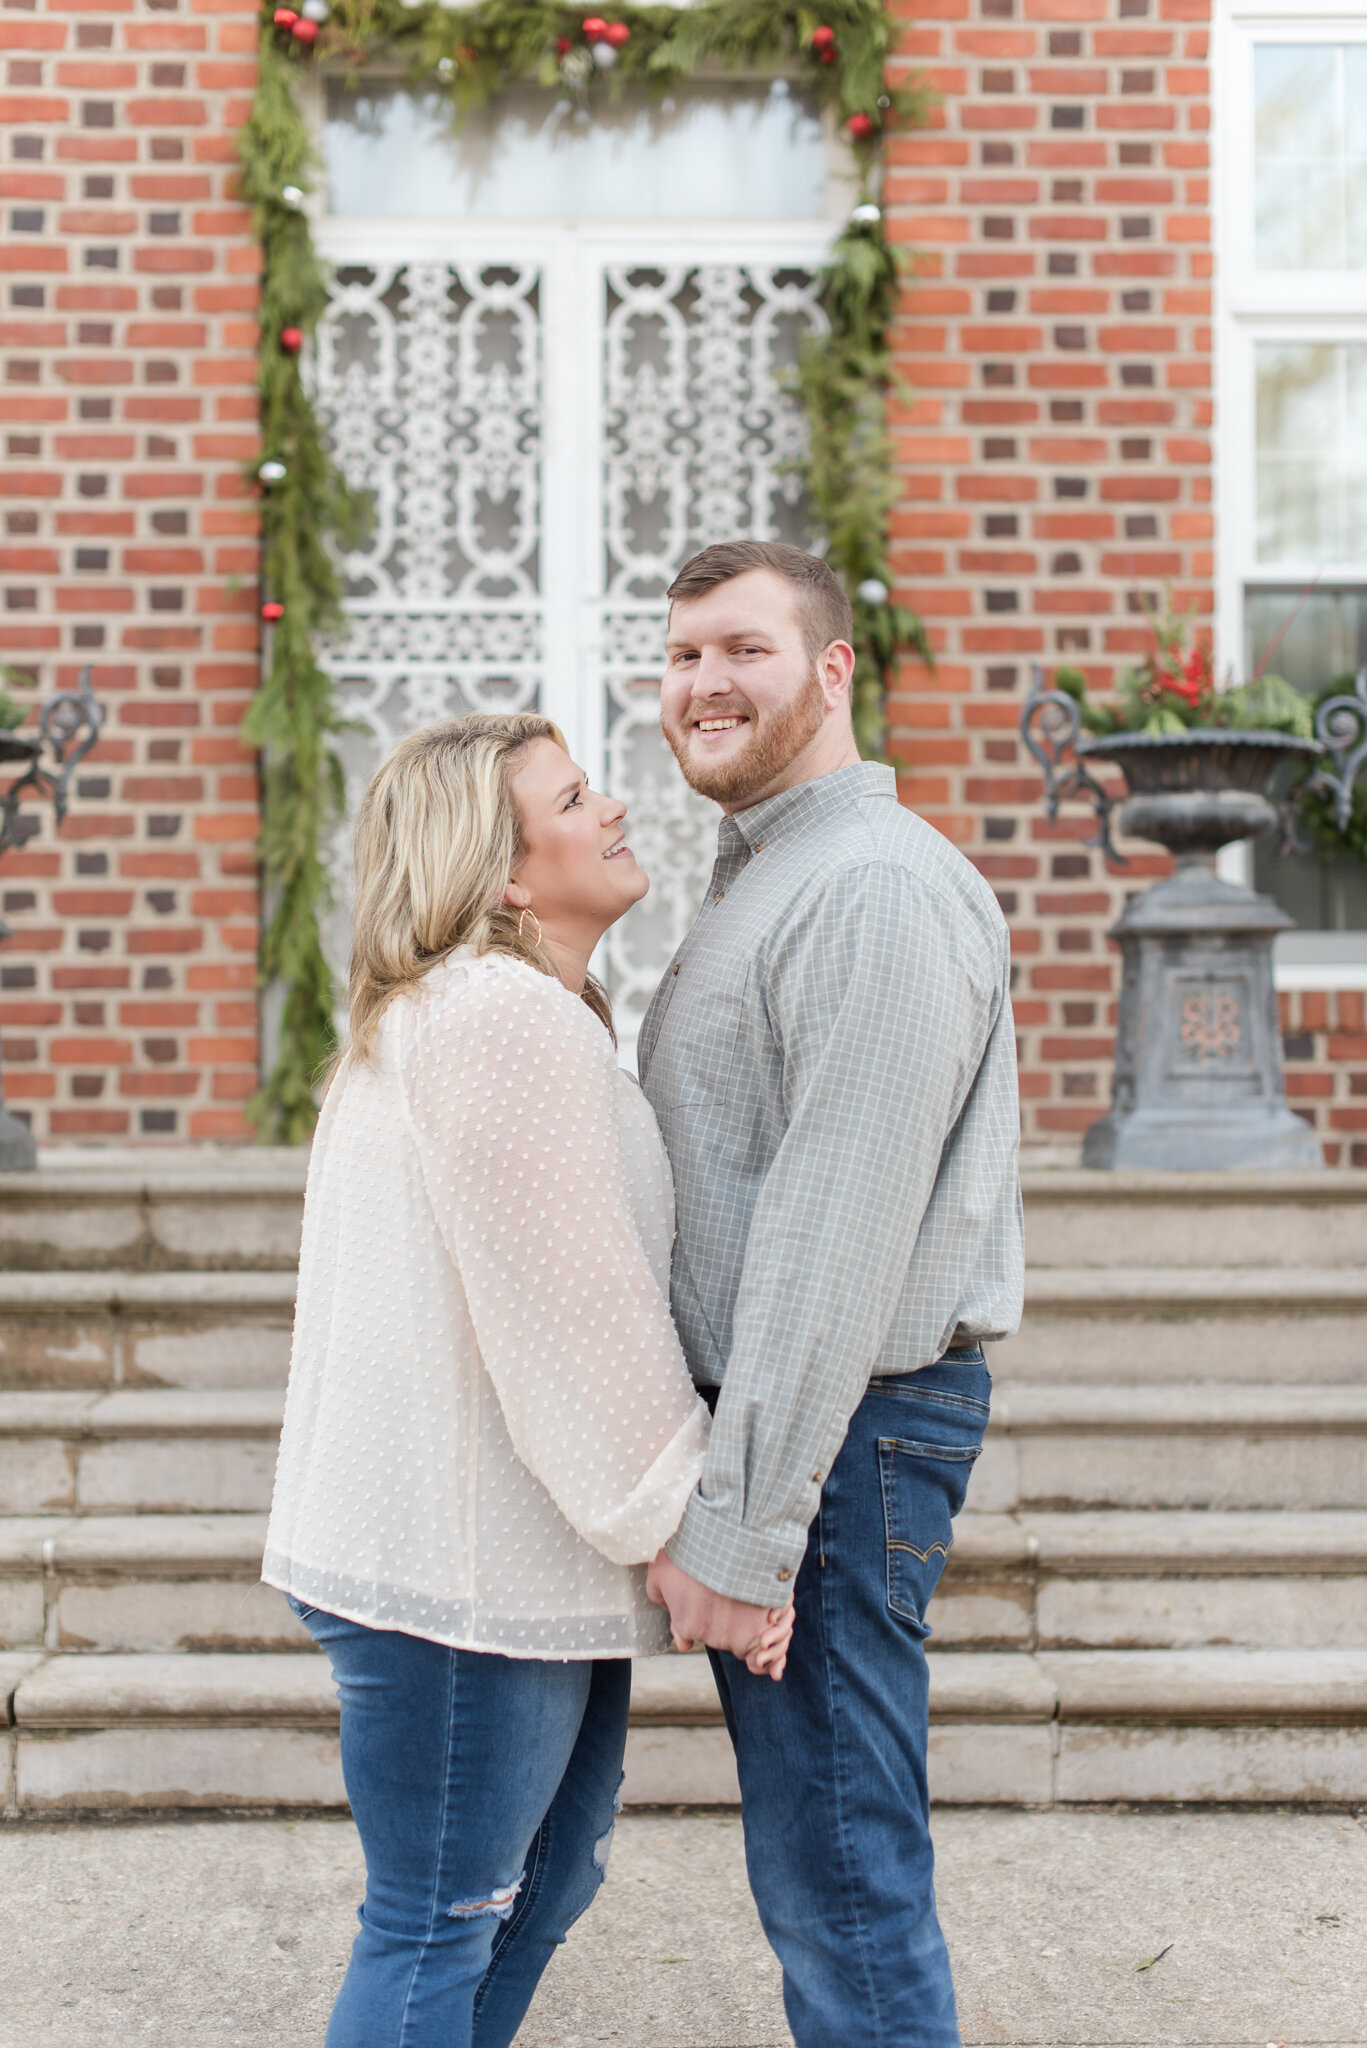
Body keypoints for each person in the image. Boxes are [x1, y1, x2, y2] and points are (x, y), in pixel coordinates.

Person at [263, 712, 792, 2048]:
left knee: (538, 1887)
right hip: (459, 1577)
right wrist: (691, 1532)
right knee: (443, 1916)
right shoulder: (496, 1021)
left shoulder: (498, 1015)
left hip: (515, 1561)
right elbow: (577, 1309)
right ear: (503, 869)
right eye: (573, 795)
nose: (616, 804)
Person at [639, 541, 1024, 2048]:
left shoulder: (868, 889)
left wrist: (747, 1531)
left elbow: (830, 1237)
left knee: (844, 1877)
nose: (703, 684)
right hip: (812, 1432)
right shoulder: (771, 873)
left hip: (844, 1436)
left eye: (742, 649)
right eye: (680, 657)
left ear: (835, 668)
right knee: (825, 1864)